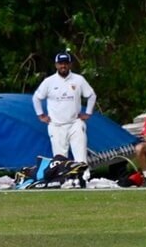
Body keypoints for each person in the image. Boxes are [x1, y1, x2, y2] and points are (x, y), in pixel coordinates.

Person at [32, 51, 97, 180]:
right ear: (56, 65)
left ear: (70, 64)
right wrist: (41, 115)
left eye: (65, 63)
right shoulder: (49, 81)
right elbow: (36, 98)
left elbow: (91, 95)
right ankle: (64, 180)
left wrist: (88, 113)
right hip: (56, 125)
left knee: (80, 154)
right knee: (60, 157)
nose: (63, 66)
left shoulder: (78, 79)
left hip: (75, 123)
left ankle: (84, 178)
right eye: (60, 64)